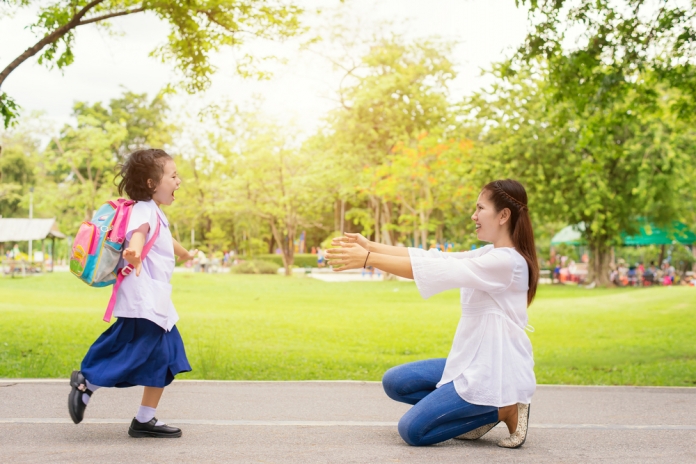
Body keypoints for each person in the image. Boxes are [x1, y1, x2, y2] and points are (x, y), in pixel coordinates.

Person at [326, 179, 537, 449]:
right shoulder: (490, 254)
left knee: (413, 431)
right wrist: (372, 247)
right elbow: (435, 259)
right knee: (397, 382)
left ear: (504, 215)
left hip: (495, 369)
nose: (474, 215)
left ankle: (502, 409)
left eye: (480, 208)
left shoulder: (508, 262)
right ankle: (475, 409)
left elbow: (438, 271)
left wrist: (369, 260)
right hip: (473, 360)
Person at [67, 149, 196, 438]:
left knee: (165, 357)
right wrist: (134, 254)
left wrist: (186, 254)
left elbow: (163, 236)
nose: (179, 181)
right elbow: (139, 234)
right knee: (131, 350)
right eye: (173, 176)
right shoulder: (142, 210)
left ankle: (144, 420)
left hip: (155, 302)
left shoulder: (153, 210)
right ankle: (86, 384)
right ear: (152, 183)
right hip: (143, 301)